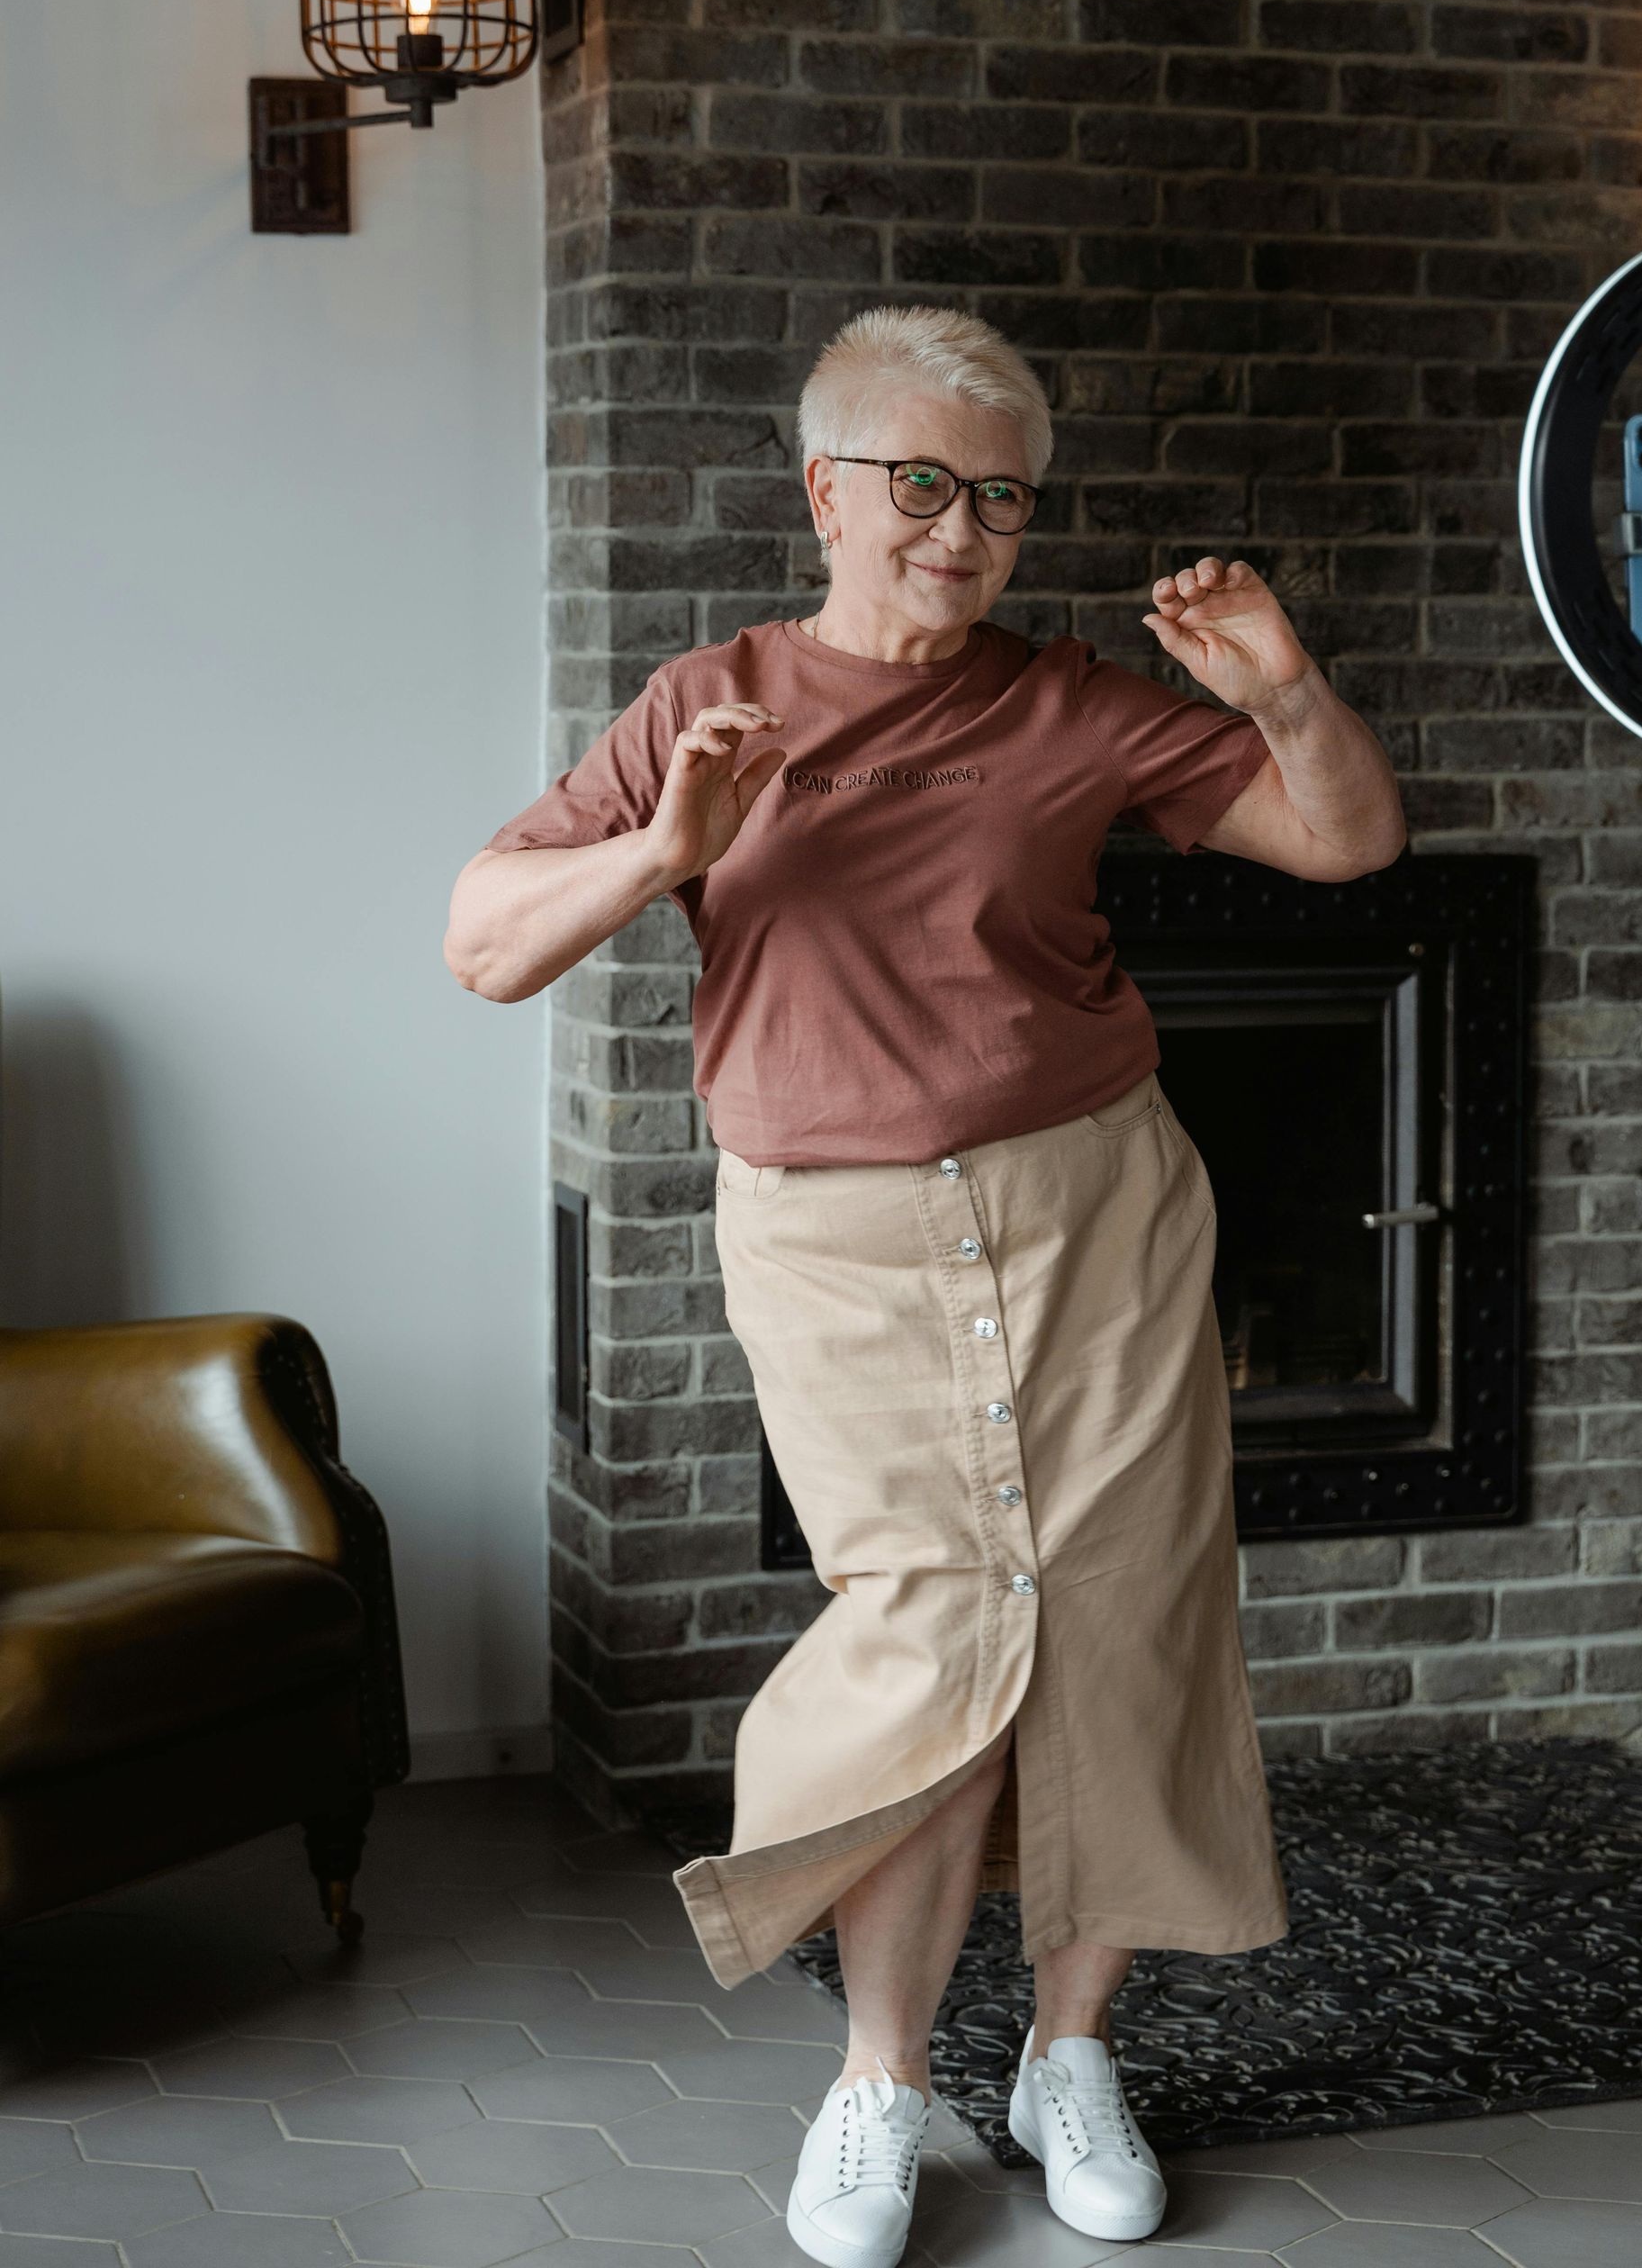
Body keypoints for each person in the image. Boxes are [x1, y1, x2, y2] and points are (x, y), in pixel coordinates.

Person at [445, 304, 1406, 2265]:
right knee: (931, 1637)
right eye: (924, 485)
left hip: (1099, 1215)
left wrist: (1288, 691)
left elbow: (1346, 842)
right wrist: (661, 850)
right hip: (835, 1236)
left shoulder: (1069, 703)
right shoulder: (705, 697)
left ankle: (1069, 2056)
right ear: (828, 491)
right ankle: (884, 2082)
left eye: (1003, 499)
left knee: (1127, 1625)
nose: (963, 530)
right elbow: (480, 944)